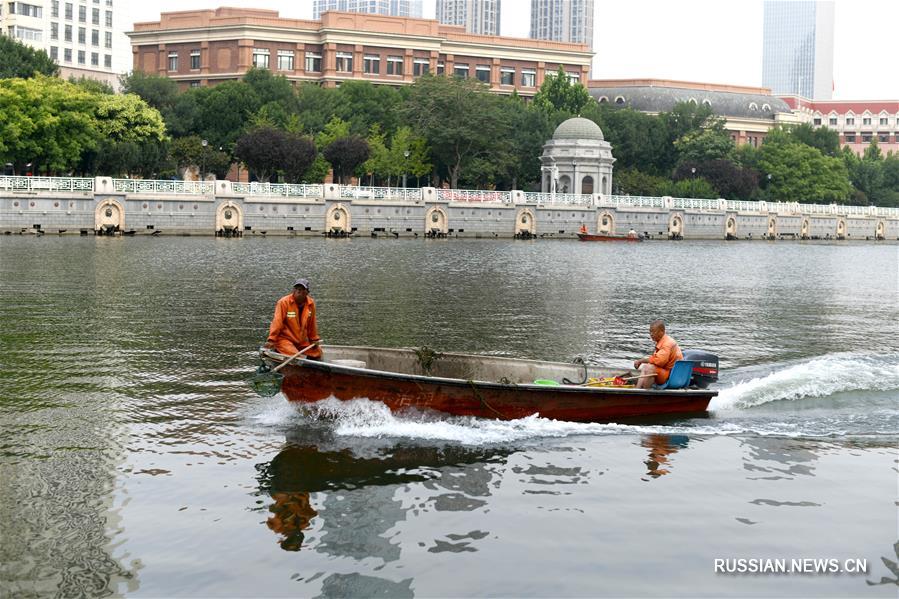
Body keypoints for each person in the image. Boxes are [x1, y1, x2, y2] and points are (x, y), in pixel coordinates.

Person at [265, 278, 323, 360]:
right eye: (297, 289)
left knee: (317, 353)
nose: (299, 291)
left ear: (307, 292)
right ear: (293, 290)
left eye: (302, 289)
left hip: (301, 341)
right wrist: (271, 340)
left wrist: (314, 339)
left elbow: (312, 324)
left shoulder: (311, 303)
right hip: (285, 340)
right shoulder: (283, 302)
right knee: (296, 357)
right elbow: (277, 322)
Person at [633, 320, 682, 389]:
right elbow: (655, 359)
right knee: (646, 367)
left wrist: (641, 361)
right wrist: (642, 361)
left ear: (662, 331)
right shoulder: (664, 341)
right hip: (669, 373)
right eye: (650, 332)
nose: (651, 334)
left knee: (649, 368)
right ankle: (637, 390)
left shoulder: (666, 344)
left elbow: (660, 361)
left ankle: (645, 394)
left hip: (671, 376)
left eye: (654, 331)